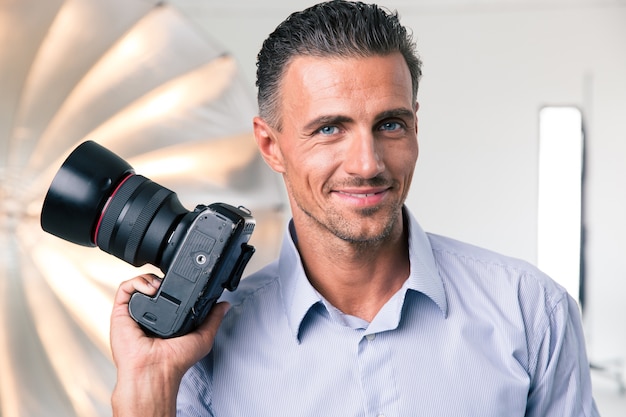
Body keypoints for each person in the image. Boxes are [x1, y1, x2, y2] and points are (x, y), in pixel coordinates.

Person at [110, 1, 600, 416]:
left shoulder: (532, 312)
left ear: (415, 126)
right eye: (328, 129)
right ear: (270, 144)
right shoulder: (200, 352)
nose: (367, 164)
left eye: (389, 124)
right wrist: (148, 388)